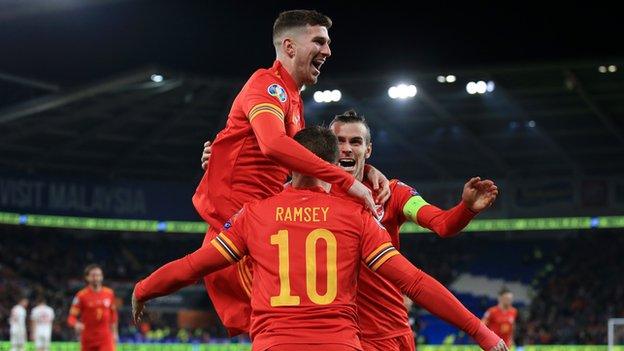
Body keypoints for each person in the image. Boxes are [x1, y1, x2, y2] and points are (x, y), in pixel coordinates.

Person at [133, 126, 507, 351]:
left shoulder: (256, 215)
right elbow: (415, 282)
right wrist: (480, 332)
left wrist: (145, 288)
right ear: (329, 166)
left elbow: (193, 266)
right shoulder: (357, 216)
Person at [193, 9, 389, 335]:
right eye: (319, 41)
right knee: (305, 322)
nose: (327, 51)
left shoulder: (293, 100)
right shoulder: (268, 86)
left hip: (262, 227)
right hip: (238, 228)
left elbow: (287, 157)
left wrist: (364, 169)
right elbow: (272, 144)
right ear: (289, 46)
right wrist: (344, 180)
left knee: (318, 317)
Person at [67, 264, 118, 351]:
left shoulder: (109, 293)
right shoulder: (81, 296)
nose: (96, 278)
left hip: (105, 339)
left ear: (102, 277)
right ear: (87, 277)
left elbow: (113, 316)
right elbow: (71, 318)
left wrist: (115, 333)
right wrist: (76, 324)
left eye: (98, 275)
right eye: (93, 275)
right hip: (88, 339)